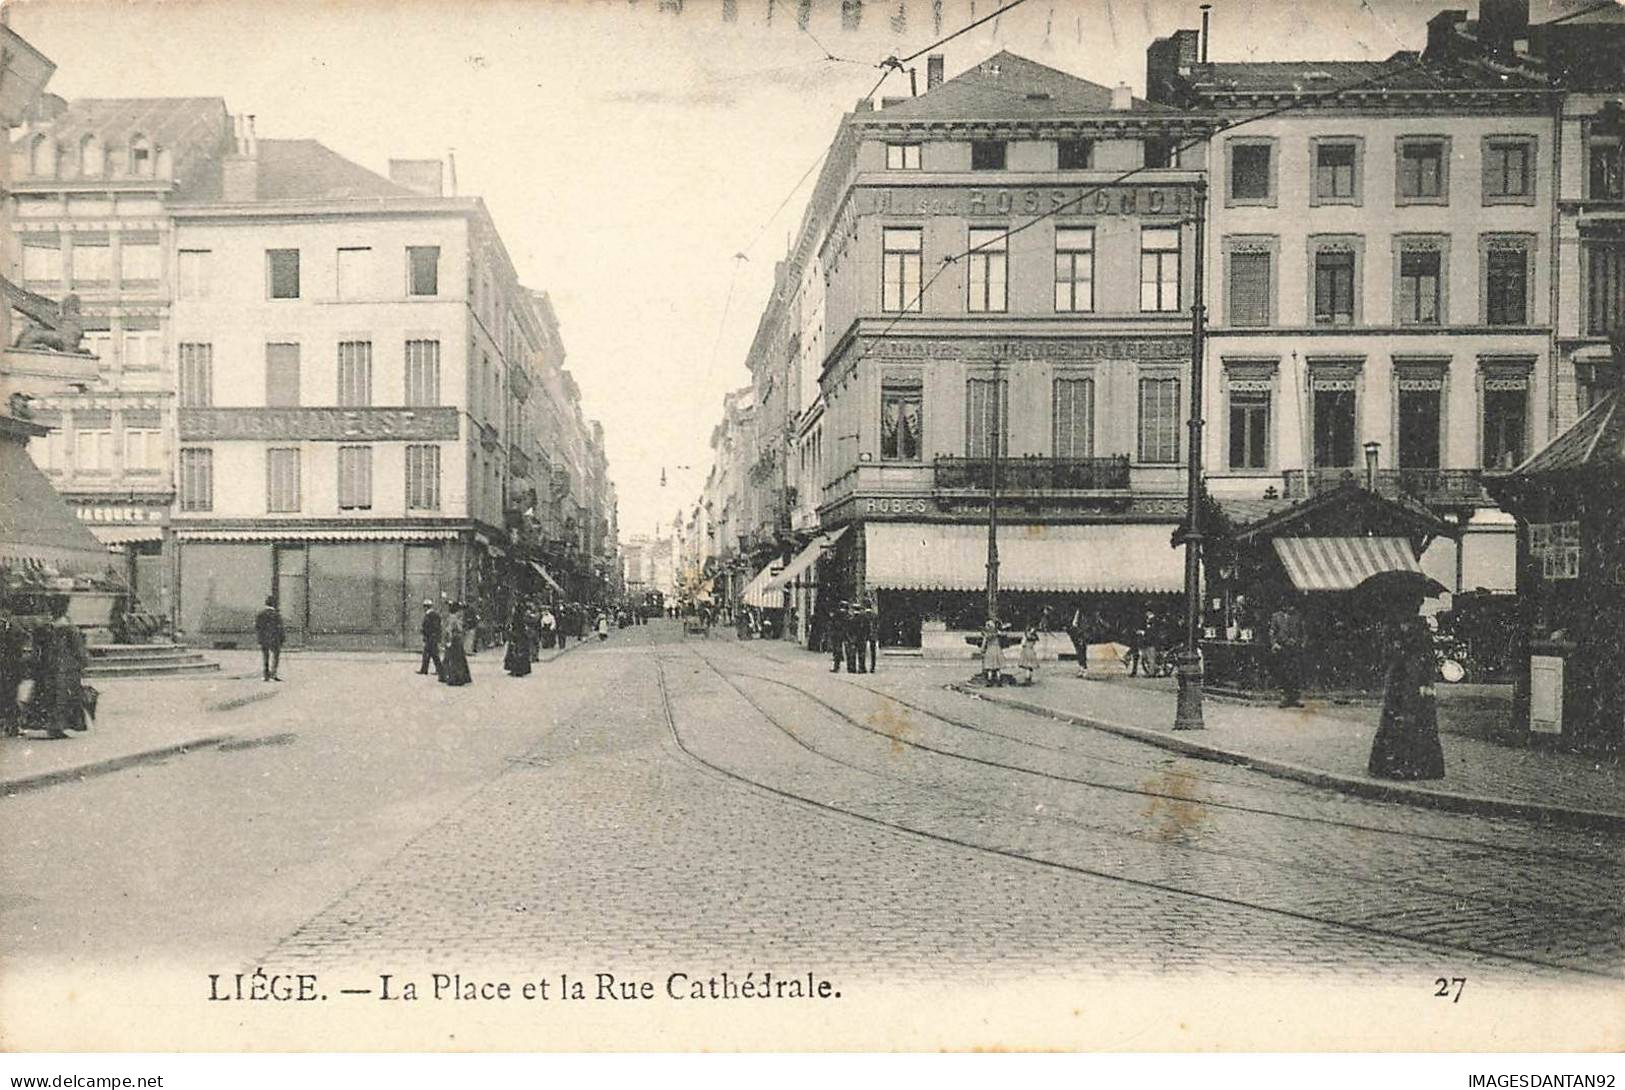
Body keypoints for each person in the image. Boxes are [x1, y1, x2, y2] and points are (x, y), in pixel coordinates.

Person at [1368, 610, 1446, 780]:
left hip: (1413, 679)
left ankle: (1412, 766)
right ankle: (1392, 765)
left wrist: (1426, 681)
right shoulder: (1393, 628)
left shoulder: (1419, 629)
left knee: (1414, 719)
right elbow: (1386, 654)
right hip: (1399, 678)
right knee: (1398, 718)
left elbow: (1427, 658)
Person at [29, 596, 88, 738]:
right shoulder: (69, 628)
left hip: (48, 666)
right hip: (66, 668)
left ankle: (51, 725)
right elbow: (78, 649)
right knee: (64, 698)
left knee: (50, 696)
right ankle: (58, 726)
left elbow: (37, 648)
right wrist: (83, 661)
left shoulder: (44, 628)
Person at [1268, 600, 1307, 708]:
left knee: (1295, 673)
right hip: (1282, 648)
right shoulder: (1276, 616)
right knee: (1283, 673)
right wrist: (1274, 644)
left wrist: (1302, 644)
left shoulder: (1298, 616)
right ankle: (1284, 697)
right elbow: (1272, 632)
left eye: (1292, 606)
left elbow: (1303, 632)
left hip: (1295, 649)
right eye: (1288, 606)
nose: (1290, 608)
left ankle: (1295, 698)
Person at [440, 603, 473, 686]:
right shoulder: (453, 618)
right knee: (456, 660)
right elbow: (449, 630)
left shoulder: (453, 617)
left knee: (453, 659)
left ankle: (449, 676)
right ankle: (457, 678)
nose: (461, 612)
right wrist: (449, 640)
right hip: (455, 641)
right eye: (459, 610)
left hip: (455, 640)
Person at [255, 595, 285, 682]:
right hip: (275, 639)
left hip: (264, 639)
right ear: (274, 604)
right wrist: (282, 638)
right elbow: (280, 628)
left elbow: (258, 627)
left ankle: (266, 675)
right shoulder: (276, 615)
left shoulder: (260, 614)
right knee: (275, 656)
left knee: (265, 656)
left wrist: (260, 638)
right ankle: (274, 673)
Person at [503, 604, 533, 677]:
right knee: (516, 654)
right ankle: (516, 670)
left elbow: (518, 628)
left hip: (518, 637)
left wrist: (512, 633)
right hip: (518, 637)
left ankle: (518, 670)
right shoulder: (517, 618)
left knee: (517, 654)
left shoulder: (518, 619)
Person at [1066, 604, 1093, 678]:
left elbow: (1084, 627)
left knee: (1081, 651)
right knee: (1079, 652)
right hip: (1077, 633)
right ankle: (1082, 669)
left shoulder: (1083, 615)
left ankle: (1084, 669)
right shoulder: (1074, 614)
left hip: (1081, 635)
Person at [418, 599, 443, 677]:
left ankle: (428, 670)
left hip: (431, 637)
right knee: (430, 654)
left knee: (431, 654)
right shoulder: (432, 614)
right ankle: (428, 669)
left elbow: (433, 627)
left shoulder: (431, 615)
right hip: (431, 637)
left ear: (426, 607)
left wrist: (426, 632)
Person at [980, 619, 1005, 685]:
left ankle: (990, 680)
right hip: (997, 649)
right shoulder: (997, 632)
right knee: (997, 666)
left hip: (990, 649)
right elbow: (1002, 635)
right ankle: (999, 680)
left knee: (990, 666)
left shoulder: (987, 634)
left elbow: (984, 642)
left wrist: (982, 649)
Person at [860, 596, 879, 674]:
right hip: (873, 635)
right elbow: (877, 625)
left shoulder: (863, 615)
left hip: (864, 635)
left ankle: (863, 667)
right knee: (873, 652)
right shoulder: (874, 615)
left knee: (863, 651)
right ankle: (872, 667)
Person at [829, 602, 848, 673]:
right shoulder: (847, 614)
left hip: (837, 634)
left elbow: (833, 623)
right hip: (845, 634)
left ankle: (836, 666)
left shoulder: (837, 614)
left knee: (837, 649)